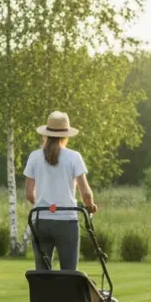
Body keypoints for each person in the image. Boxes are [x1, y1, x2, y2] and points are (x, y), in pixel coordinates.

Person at [25, 111, 98, 271]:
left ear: (46, 134)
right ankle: (67, 296)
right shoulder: (74, 157)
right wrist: (90, 206)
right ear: (66, 135)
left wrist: (44, 203)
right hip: (67, 222)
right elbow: (85, 193)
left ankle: (44, 296)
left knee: (42, 273)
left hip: (41, 220)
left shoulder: (34, 157)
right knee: (69, 272)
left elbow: (30, 194)